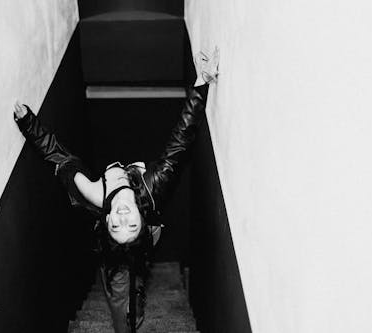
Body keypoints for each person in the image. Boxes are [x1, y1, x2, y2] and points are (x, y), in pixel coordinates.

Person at [13, 51, 218, 333]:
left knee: (119, 285)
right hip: (147, 239)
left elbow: (59, 157)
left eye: (116, 224)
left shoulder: (93, 193)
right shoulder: (153, 186)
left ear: (106, 220)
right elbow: (180, 142)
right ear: (142, 219)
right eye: (130, 223)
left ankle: (128, 321)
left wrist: (28, 124)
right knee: (124, 286)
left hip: (117, 251)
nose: (122, 216)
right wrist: (201, 83)